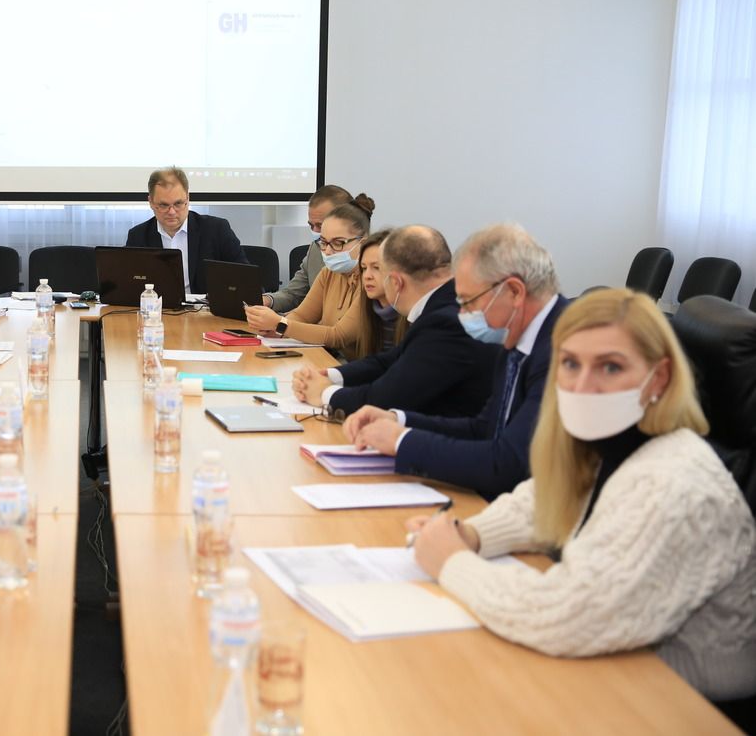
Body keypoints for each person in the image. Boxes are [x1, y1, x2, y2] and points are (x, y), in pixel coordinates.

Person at [407, 289, 756, 702]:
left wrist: (452, 561)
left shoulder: (675, 482)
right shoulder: (611, 441)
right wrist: (471, 534)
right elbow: (542, 501)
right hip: (618, 664)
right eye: (571, 364)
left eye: (610, 367)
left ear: (658, 378)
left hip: (687, 701)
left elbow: (566, 616)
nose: (584, 386)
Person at [344, 223, 569, 498]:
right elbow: (483, 427)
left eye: (468, 301)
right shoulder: (516, 335)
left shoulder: (566, 350)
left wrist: (402, 441)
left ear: (514, 292)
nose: (462, 313)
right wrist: (398, 419)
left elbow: (507, 463)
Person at [293, 225, 499, 419]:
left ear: (395, 281)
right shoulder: (442, 304)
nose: (368, 277)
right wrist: (329, 374)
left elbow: (385, 398)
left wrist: (325, 393)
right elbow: (391, 360)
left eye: (378, 269)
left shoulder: (445, 320)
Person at [244, 195, 377, 360]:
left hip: (359, 367)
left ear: (362, 243)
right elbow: (302, 316)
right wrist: (275, 330)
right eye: (324, 242)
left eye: (338, 243)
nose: (328, 251)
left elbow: (338, 336)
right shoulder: (328, 273)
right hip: (330, 359)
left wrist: (281, 324)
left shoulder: (372, 280)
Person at [123, 166, 249, 296]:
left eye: (178, 203)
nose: (172, 212)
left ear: (188, 198)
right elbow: (127, 286)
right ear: (150, 202)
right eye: (163, 205)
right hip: (158, 307)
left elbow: (244, 278)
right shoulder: (138, 236)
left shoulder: (217, 230)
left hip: (205, 307)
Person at [262, 185, 354, 311]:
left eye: (320, 225)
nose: (315, 232)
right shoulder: (315, 249)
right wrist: (266, 301)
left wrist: (282, 320)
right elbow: (293, 294)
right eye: (311, 225)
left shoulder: (367, 259)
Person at [353, 229, 406, 356]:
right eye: (364, 268)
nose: (367, 276)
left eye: (376, 268)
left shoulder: (414, 317)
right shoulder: (369, 309)